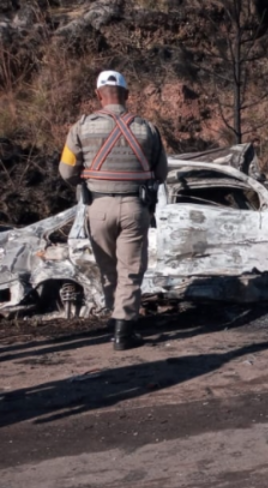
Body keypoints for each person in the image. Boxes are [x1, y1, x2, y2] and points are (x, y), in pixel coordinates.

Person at [59, 70, 168, 350]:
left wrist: (87, 179)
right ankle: (123, 331)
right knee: (131, 269)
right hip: (135, 206)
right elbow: (162, 171)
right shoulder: (147, 128)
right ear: (127, 95)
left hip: (98, 207)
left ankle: (115, 317)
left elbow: (66, 170)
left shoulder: (81, 127)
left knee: (108, 268)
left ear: (98, 95)